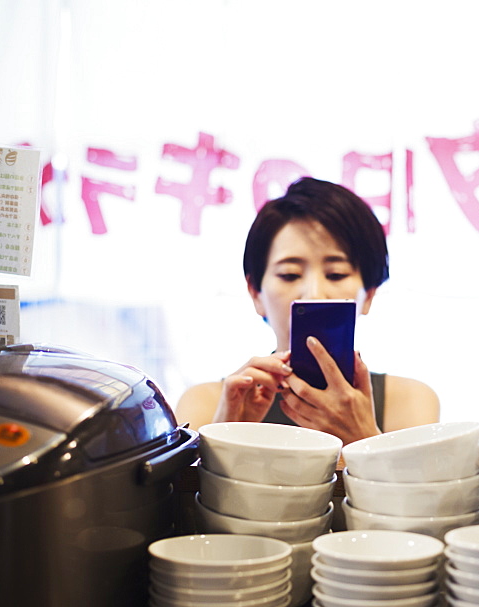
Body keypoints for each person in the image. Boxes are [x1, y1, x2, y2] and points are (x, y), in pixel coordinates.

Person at [176, 177, 439, 444]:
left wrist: (364, 437)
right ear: (255, 292)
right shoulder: (204, 404)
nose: (314, 294)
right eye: (289, 275)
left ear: (369, 293)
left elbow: (417, 488)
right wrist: (221, 441)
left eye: (336, 274)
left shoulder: (408, 401)